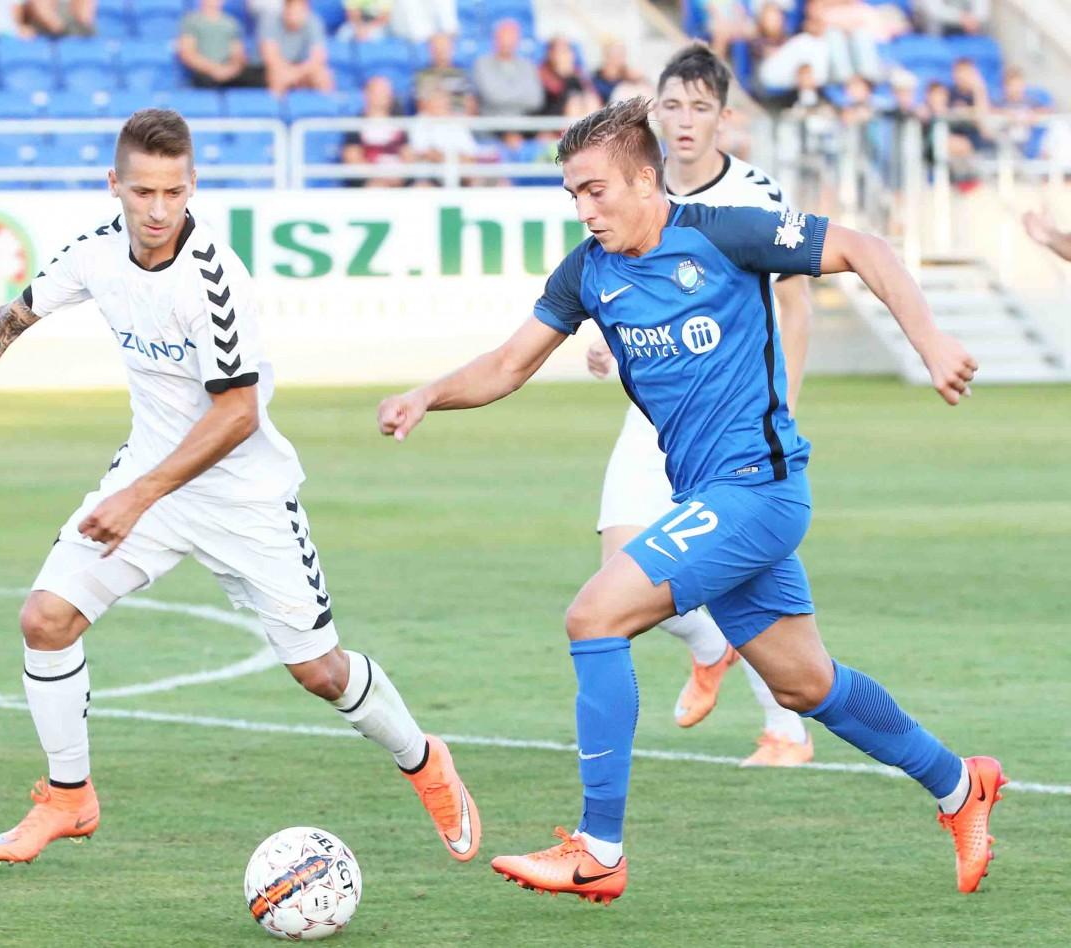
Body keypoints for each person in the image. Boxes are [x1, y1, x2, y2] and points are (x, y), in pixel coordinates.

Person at [377, 96, 1003, 903]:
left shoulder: (723, 233)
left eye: (596, 190)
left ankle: (598, 849)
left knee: (593, 617)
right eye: (573, 194)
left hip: (759, 490)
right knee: (804, 685)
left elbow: (863, 246)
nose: (584, 209)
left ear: (645, 181)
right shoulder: (587, 272)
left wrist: (931, 341)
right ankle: (959, 784)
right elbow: (507, 365)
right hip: (710, 499)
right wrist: (427, 394)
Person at [0, 108, 481, 868]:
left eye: (173, 192)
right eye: (143, 192)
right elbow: (11, 319)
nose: (158, 210)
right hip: (148, 481)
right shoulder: (95, 254)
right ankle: (69, 798)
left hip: (244, 498)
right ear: (114, 185)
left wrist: (138, 496)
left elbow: (237, 415)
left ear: (193, 185)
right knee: (45, 619)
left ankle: (424, 760)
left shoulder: (213, 279)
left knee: (320, 671)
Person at [583, 44, 815, 767]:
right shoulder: (630, 187)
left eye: (700, 107)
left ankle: (786, 732)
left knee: (746, 576)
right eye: (673, 106)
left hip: (739, 416)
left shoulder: (754, 195)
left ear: (724, 116)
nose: (685, 121)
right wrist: (608, 344)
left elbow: (795, 304)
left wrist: (782, 406)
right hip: (657, 413)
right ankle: (712, 647)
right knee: (619, 569)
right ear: (655, 111)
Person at [179, 0, 265, 89]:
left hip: (230, 71)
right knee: (206, 80)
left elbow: (238, 54)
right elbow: (188, 53)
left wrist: (231, 69)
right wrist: (214, 69)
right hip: (205, 72)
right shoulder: (191, 22)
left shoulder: (231, 23)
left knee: (260, 76)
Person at [342, 74, 410, 186]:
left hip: (398, 180)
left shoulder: (400, 123)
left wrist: (398, 178)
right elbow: (352, 158)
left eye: (386, 92)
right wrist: (378, 177)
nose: (383, 95)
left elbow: (408, 155)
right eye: (378, 91)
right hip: (371, 182)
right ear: (367, 94)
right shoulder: (355, 125)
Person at [258, 0, 333, 96]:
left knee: (323, 76)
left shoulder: (314, 21)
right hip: (279, 67)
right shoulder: (270, 21)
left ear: (305, 11)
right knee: (276, 76)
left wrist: (296, 73)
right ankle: (277, 104)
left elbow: (318, 57)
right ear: (284, 9)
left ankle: (325, 104)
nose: (293, 16)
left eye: (298, 11)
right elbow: (270, 57)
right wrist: (288, 72)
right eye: (290, 11)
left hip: (303, 68)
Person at [472, 18, 542, 117]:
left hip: (523, 123)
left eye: (511, 37)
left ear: (518, 40)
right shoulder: (482, 64)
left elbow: (535, 100)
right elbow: (493, 97)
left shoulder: (528, 65)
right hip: (492, 123)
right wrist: (522, 95)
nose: (507, 42)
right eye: (504, 37)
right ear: (495, 39)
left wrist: (505, 92)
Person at [415, 31, 475, 116]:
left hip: (458, 119)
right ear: (430, 50)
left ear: (452, 48)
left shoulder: (461, 74)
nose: (441, 51)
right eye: (437, 47)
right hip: (432, 120)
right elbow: (423, 106)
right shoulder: (423, 75)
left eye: (444, 47)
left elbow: (470, 106)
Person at [538, 36, 599, 117]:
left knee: (590, 101)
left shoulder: (577, 72)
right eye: (560, 51)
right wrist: (564, 73)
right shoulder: (543, 71)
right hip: (551, 111)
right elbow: (555, 92)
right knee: (574, 103)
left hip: (576, 108)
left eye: (567, 50)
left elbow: (592, 93)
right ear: (550, 54)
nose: (565, 55)